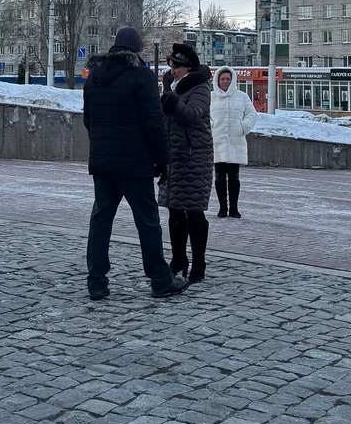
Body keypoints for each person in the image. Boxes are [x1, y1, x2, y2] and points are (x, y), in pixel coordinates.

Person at [83, 28, 185, 300]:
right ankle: (160, 280)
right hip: (135, 162)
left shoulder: (95, 75)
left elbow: (88, 119)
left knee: (101, 219)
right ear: (137, 50)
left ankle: (96, 281)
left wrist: (102, 148)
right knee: (147, 221)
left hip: (103, 161)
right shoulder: (141, 76)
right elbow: (154, 123)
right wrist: (163, 161)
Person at [161, 43, 214, 283]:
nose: (173, 71)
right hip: (174, 156)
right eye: (171, 66)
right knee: (174, 210)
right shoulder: (171, 86)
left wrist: (172, 101)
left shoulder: (200, 87)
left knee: (194, 211)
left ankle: (199, 262)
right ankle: (178, 259)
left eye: (177, 67)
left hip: (195, 156)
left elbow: (193, 114)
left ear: (188, 67)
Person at [210, 66, 258, 219]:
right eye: (222, 79)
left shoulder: (242, 96)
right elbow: (203, 115)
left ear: (233, 80)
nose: (225, 82)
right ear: (217, 80)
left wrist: (243, 126)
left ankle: (234, 208)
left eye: (228, 79)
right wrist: (212, 127)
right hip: (217, 141)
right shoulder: (211, 97)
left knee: (234, 177)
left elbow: (252, 113)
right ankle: (222, 208)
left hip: (235, 141)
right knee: (219, 176)